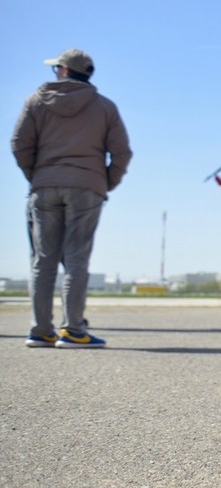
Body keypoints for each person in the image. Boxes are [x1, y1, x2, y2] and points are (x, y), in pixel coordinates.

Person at [11, 49, 132, 348]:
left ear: (64, 71)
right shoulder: (105, 107)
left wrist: (37, 175)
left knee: (43, 260)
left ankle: (40, 330)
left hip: (45, 185)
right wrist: (104, 182)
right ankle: (74, 330)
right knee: (77, 259)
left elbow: (19, 144)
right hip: (87, 187)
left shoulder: (35, 101)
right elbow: (121, 152)